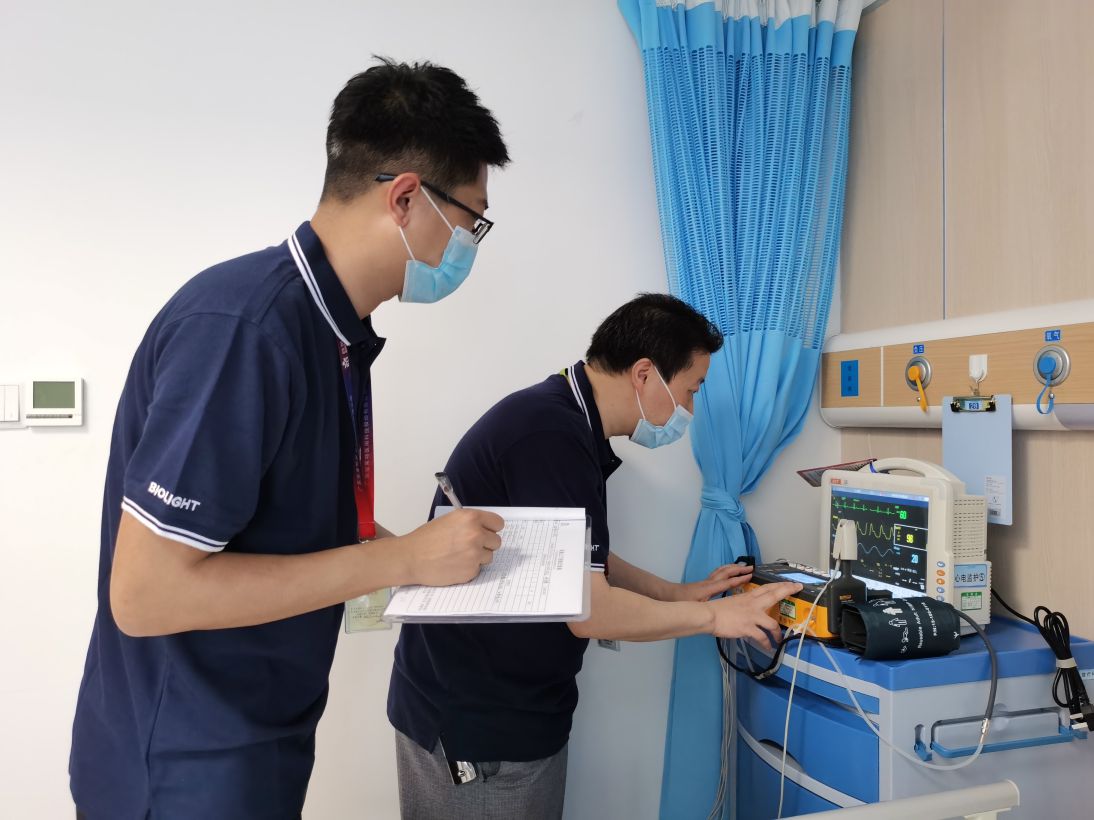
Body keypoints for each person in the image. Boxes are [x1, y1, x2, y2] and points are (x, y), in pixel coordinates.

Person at [69, 58, 510, 820]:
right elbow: (144, 594)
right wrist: (401, 559)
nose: (471, 242)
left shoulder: (335, 332)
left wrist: (428, 560)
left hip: (257, 739)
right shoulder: (244, 331)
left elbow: (291, 523)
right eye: (472, 220)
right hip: (182, 767)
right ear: (406, 198)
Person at [387, 293, 802, 820]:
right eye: (691, 390)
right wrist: (717, 617)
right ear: (645, 374)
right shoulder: (550, 435)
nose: (690, 410)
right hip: (478, 726)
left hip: (508, 708)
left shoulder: (565, 421)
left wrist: (675, 593)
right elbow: (591, 612)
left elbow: (576, 561)